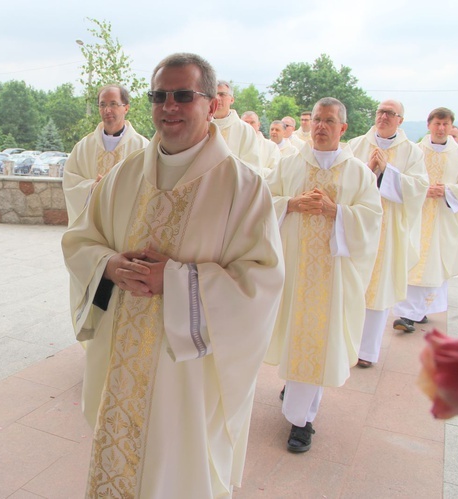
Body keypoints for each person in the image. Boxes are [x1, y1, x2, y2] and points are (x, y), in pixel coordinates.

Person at [62, 53, 285, 498]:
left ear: (211, 103)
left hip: (188, 371)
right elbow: (79, 241)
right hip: (122, 355)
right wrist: (109, 264)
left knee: (177, 470)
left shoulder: (243, 186)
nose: (169, 107)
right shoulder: (121, 177)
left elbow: (260, 283)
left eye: (183, 95)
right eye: (159, 96)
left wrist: (180, 281)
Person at [265, 97, 382, 453]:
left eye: (329, 121)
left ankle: (301, 423)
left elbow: (372, 218)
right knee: (296, 335)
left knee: (317, 339)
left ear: (342, 129)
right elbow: (261, 201)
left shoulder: (357, 171)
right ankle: (297, 387)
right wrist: (290, 204)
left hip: (331, 278)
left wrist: (338, 212)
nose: (320, 126)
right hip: (293, 270)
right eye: (317, 119)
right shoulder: (289, 164)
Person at [347, 100, 429, 366]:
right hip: (357, 227)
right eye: (380, 112)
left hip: (387, 230)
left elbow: (418, 188)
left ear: (400, 120)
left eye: (390, 113)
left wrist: (388, 172)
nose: (383, 117)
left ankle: (367, 352)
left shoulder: (411, 152)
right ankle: (345, 346)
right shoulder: (357, 144)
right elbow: (342, 179)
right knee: (351, 286)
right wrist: (369, 171)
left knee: (378, 289)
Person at [392, 107, 458, 331]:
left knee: (434, 264)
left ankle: (415, 312)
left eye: (446, 124)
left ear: (451, 126)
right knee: (412, 260)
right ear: (428, 125)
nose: (441, 129)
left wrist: (448, 191)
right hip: (417, 215)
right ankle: (409, 313)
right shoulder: (414, 151)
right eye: (437, 124)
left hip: (443, 218)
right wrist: (421, 190)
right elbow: (401, 179)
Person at [63, 84, 149, 225]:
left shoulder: (142, 147)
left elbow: (149, 187)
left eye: (113, 104)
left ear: (126, 108)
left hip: (124, 224)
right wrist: (92, 188)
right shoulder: (84, 147)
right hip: (92, 224)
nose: (107, 110)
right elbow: (70, 181)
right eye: (102, 105)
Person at [212, 80, 264, 173]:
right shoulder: (202, 127)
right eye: (213, 94)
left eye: (222, 94)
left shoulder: (245, 130)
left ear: (232, 99)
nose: (217, 98)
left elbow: (253, 168)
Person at [242, 110, 281, 175]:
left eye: (252, 122)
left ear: (258, 125)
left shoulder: (271, 147)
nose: (248, 125)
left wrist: (253, 171)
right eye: (245, 122)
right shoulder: (233, 142)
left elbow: (276, 172)